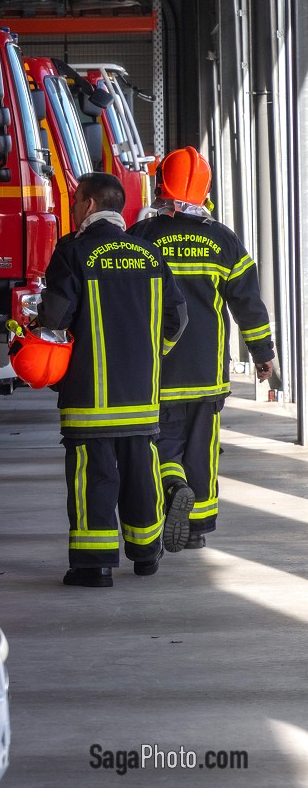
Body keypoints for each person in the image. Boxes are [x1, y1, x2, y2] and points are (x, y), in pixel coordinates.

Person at [37, 172, 187, 587]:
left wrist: (37, 320)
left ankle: (94, 566)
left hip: (90, 396)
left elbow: (56, 318)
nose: (72, 209)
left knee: (94, 476)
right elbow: (177, 318)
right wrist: (150, 356)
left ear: (88, 205)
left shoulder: (73, 251)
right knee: (141, 471)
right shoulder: (150, 254)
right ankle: (146, 553)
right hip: (141, 393)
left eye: (74, 202)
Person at [128, 146, 274, 551]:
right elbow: (248, 302)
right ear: (206, 193)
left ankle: (172, 487)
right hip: (206, 370)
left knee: (157, 439)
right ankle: (196, 528)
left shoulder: (142, 236)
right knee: (202, 447)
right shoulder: (223, 240)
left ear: (161, 187)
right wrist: (262, 353)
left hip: (155, 367)